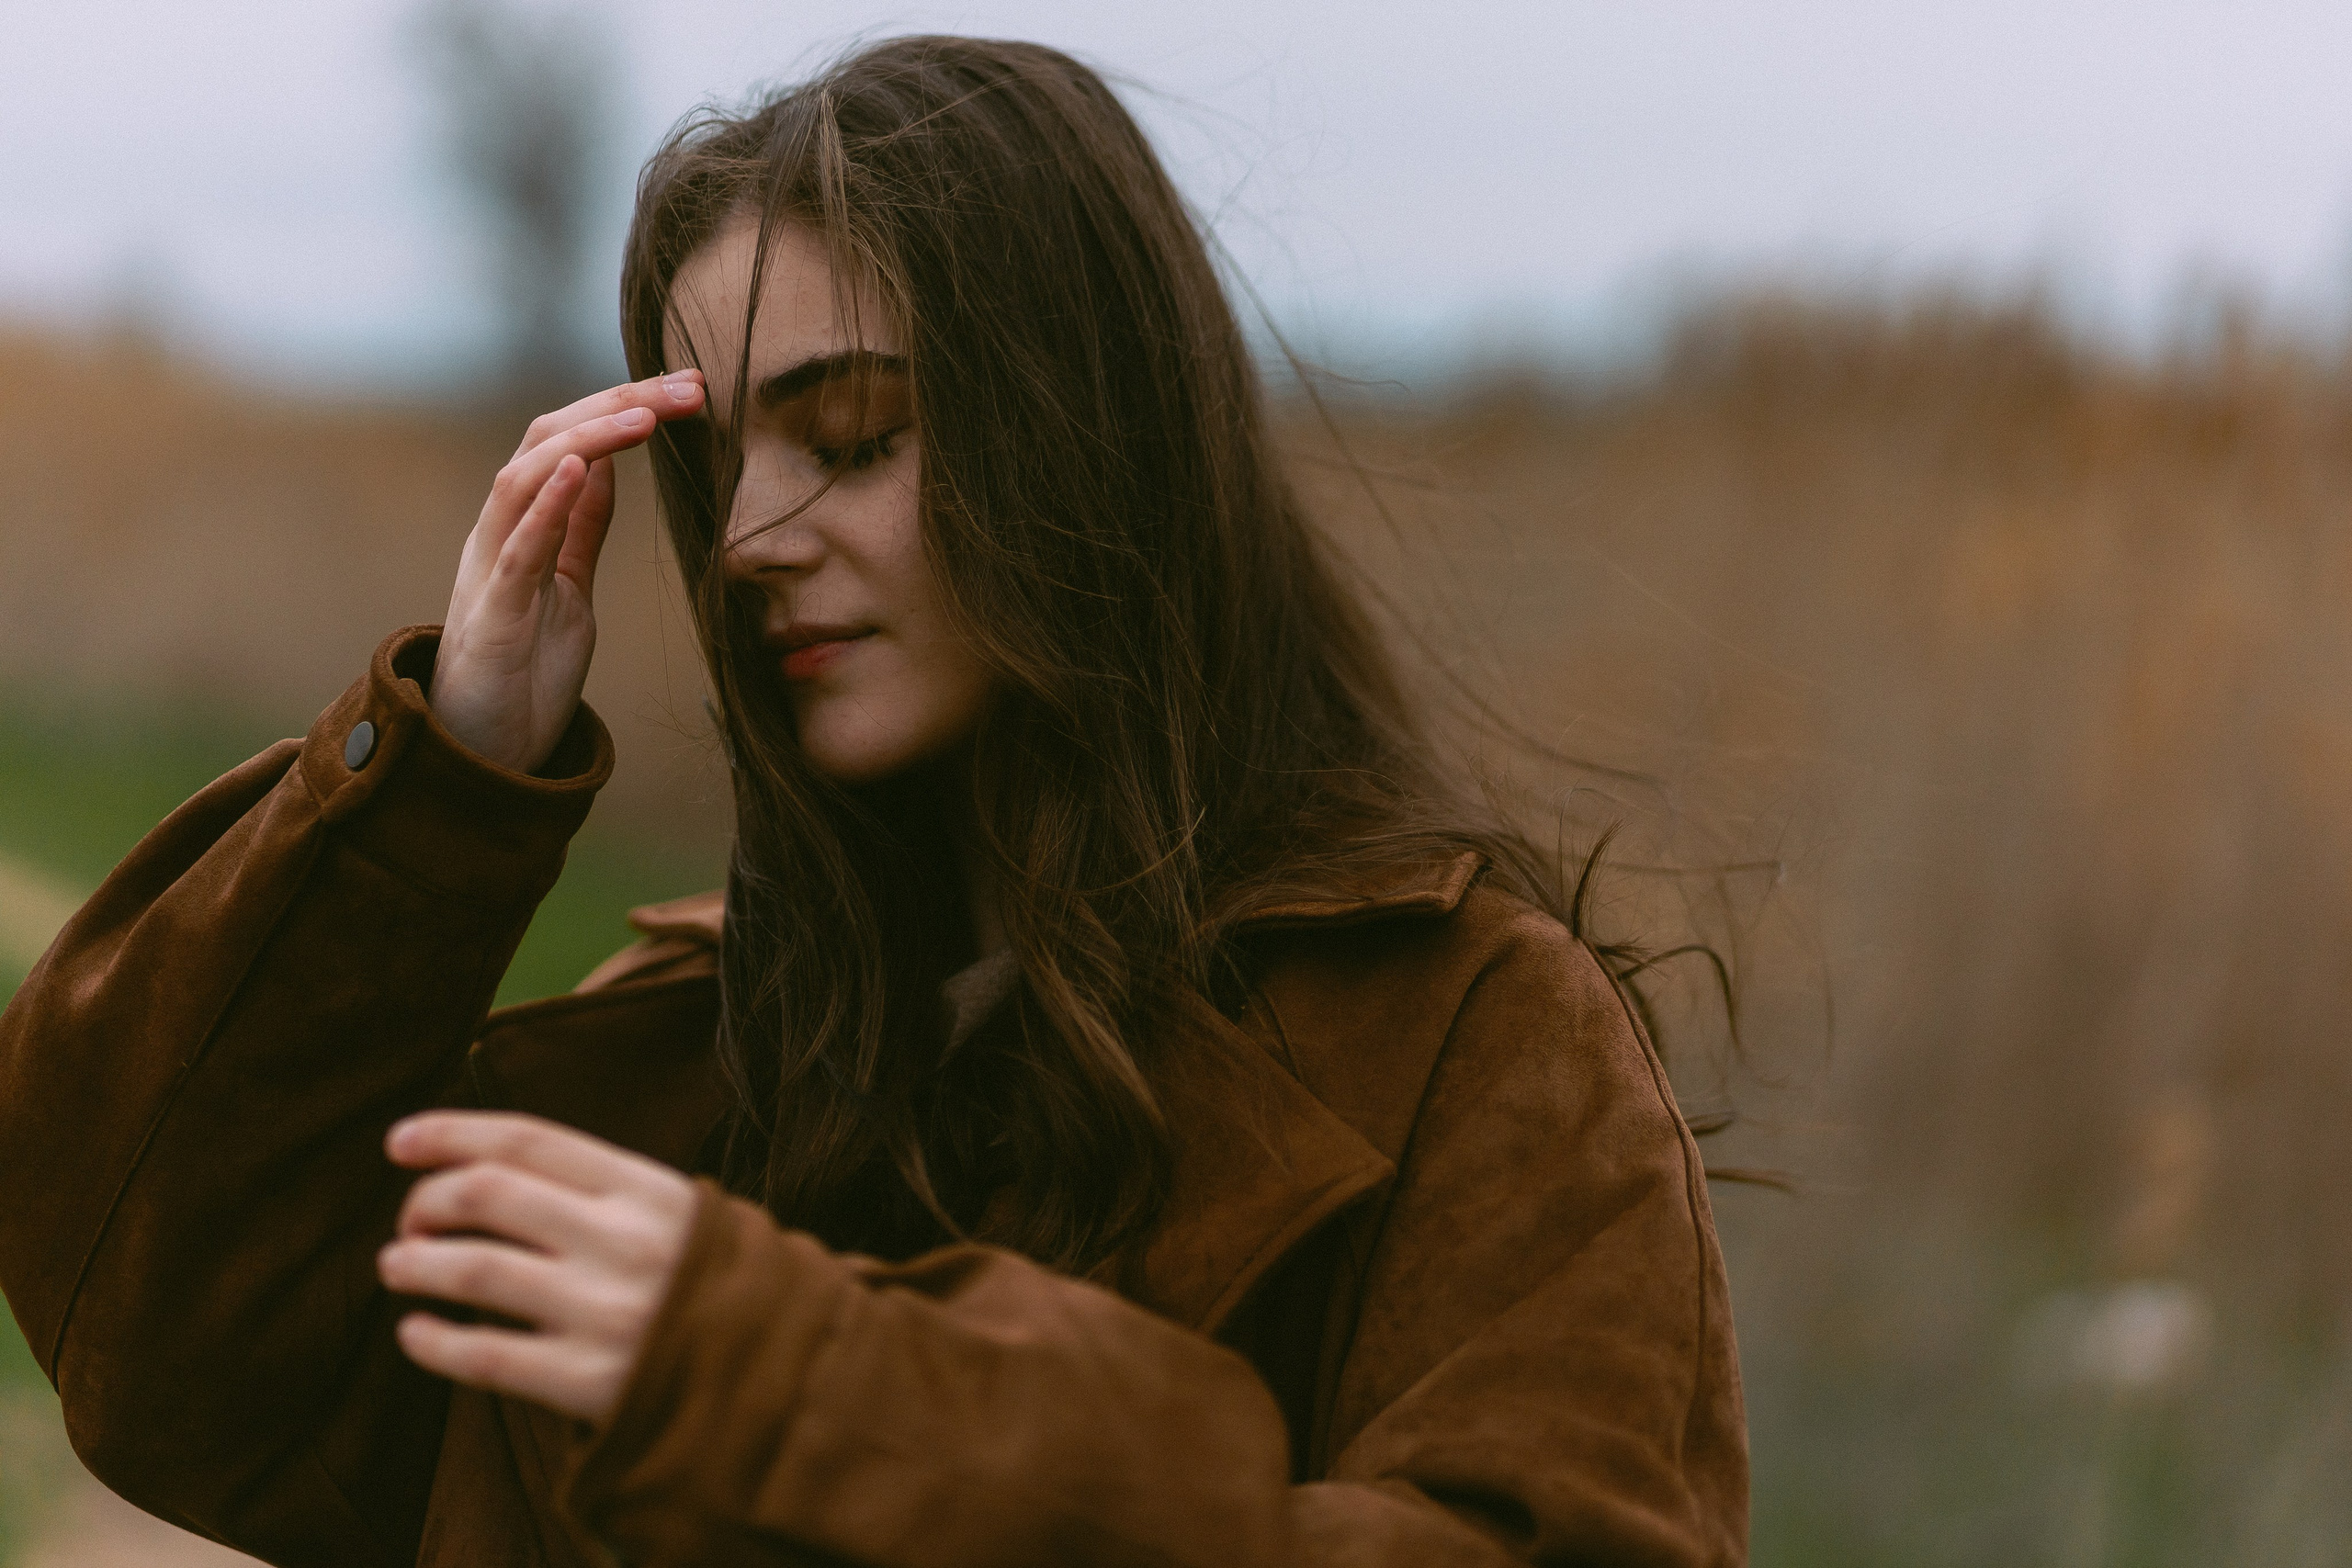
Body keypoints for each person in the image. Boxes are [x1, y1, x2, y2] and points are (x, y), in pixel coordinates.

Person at [0, 35, 1747, 1568]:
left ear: (1083, 436)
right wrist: (444, 779)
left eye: (849, 437)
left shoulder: (1474, 1041)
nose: (751, 540)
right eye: (720, 458)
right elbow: (165, 1346)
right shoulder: (719, 1053)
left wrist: (798, 1387)